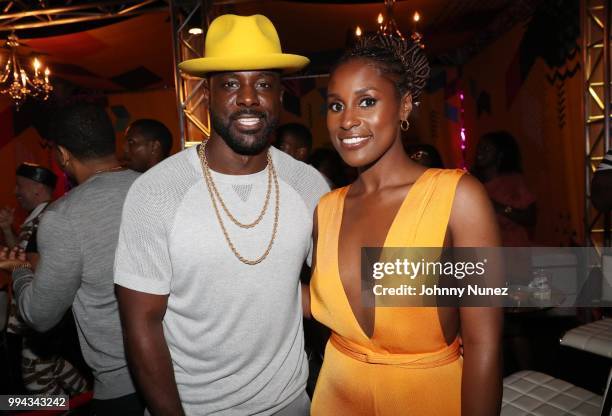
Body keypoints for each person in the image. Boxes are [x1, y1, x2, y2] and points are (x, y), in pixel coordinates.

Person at [114, 14, 329, 415]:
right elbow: (141, 323)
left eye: (263, 83)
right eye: (231, 83)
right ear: (206, 94)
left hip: (290, 404)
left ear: (281, 95)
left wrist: (469, 277)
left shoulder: (309, 185)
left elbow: (340, 289)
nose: (248, 98)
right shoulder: (156, 192)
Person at [306, 34, 503, 415]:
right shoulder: (326, 209)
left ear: (405, 105)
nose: (347, 120)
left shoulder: (458, 198)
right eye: (335, 105)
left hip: (430, 399)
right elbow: (324, 303)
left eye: (367, 101)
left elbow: (484, 345)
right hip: (336, 398)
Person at [0, 104, 142, 414]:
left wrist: (21, 269)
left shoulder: (63, 217)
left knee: (25, 401)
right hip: (178, 366)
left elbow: (40, 315)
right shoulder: (152, 186)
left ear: (63, 155)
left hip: (122, 381)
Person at [471, 131, 536, 246]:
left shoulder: (514, 181)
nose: (480, 153)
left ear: (499, 155)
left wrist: (498, 207)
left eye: (486, 149)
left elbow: (530, 217)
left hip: (514, 249)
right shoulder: (471, 183)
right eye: (479, 148)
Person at [0, 163, 56, 251]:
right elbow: (22, 253)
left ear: (38, 189)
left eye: (19, 186)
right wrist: (7, 229)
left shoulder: (46, 219)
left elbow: (30, 263)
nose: (14, 191)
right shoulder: (38, 216)